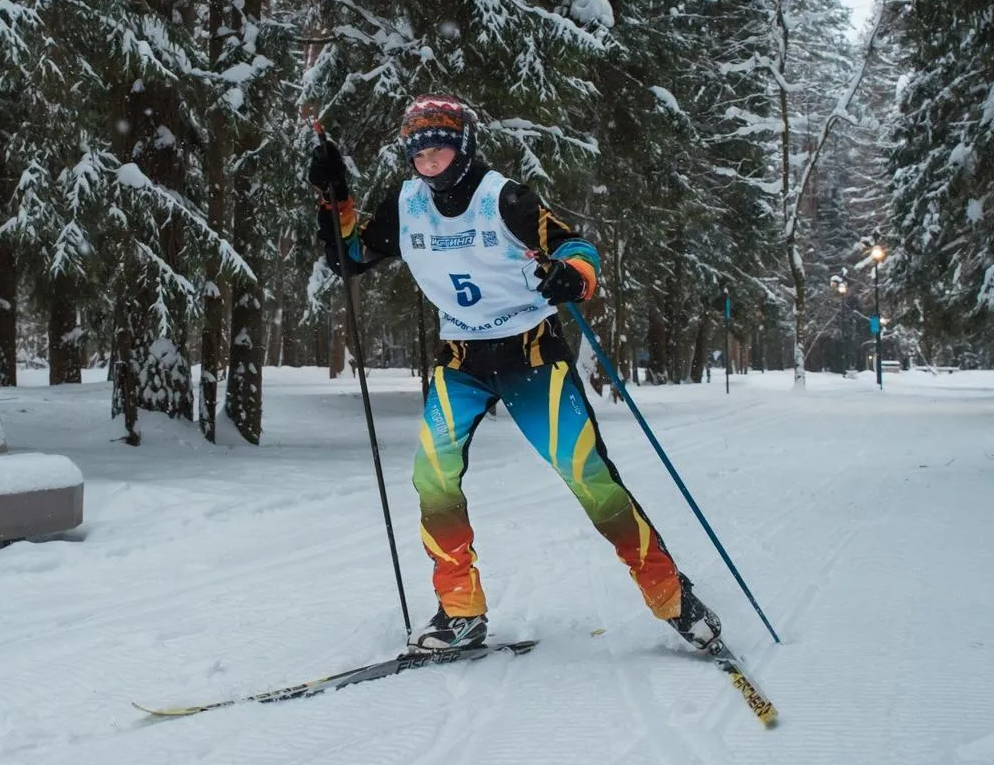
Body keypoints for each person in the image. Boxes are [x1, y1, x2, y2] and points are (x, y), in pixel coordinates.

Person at [309, 95, 722, 654]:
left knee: (590, 479)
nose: (429, 162)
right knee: (433, 478)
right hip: (461, 361)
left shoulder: (501, 198)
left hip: (530, 356)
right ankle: (460, 613)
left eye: (440, 149)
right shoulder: (408, 203)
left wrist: (574, 276)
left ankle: (674, 600)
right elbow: (350, 255)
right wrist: (335, 199)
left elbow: (573, 245)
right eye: (418, 154)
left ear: (463, 146)